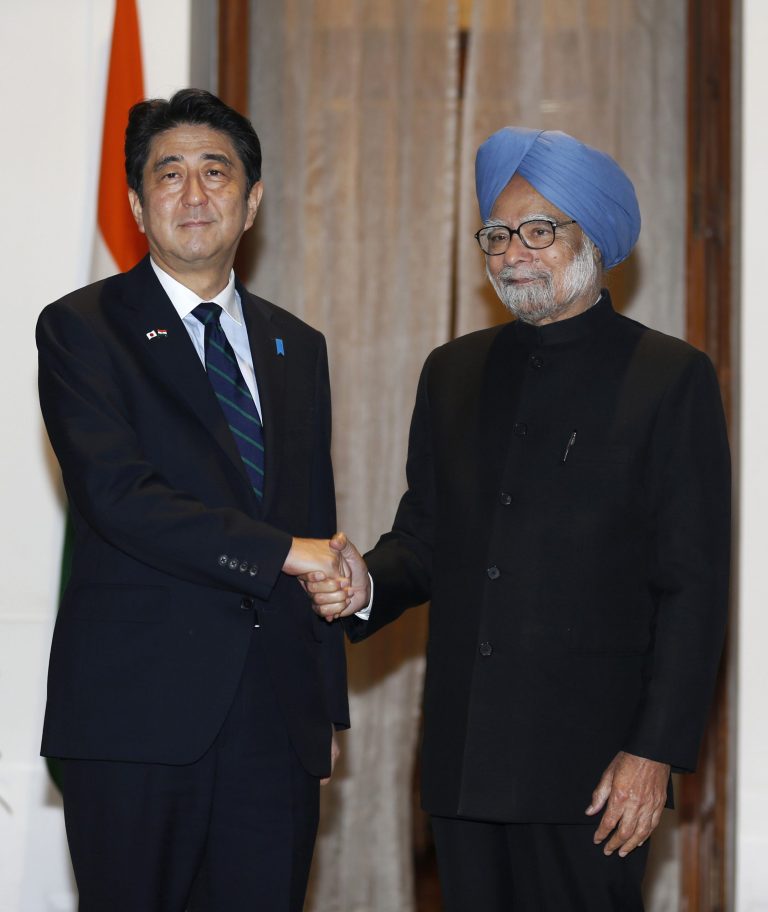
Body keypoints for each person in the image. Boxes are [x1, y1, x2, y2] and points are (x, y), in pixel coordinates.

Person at [307, 127, 731, 911]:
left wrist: (654, 751)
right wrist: (367, 581)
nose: (513, 253)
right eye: (497, 234)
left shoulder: (670, 379)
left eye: (539, 230)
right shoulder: (453, 373)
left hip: (596, 771)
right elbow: (425, 539)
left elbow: (694, 588)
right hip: (468, 759)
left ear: (593, 239)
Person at [37, 88, 352, 912]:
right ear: (138, 205)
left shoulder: (298, 346)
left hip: (275, 725)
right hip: (138, 722)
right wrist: (287, 553)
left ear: (253, 201)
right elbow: (120, 497)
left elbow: (313, 517)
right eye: (167, 174)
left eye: (216, 172)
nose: (193, 192)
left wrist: (326, 706)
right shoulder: (82, 329)